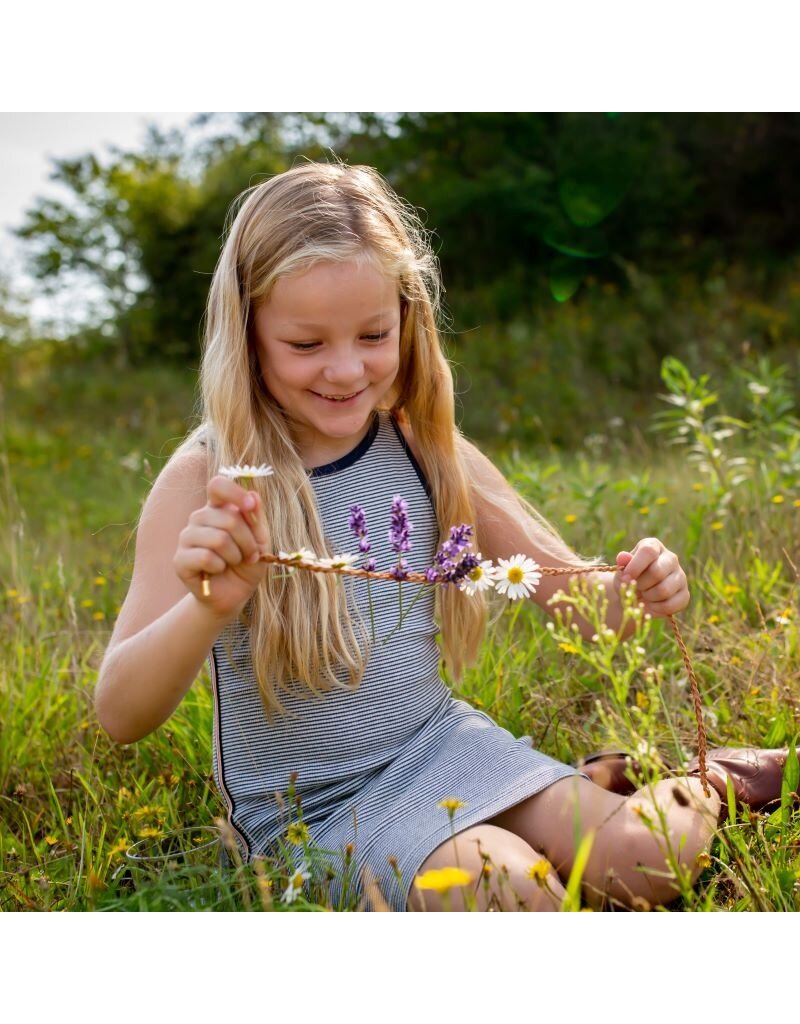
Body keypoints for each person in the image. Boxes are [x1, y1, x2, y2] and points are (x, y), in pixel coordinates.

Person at [94, 161, 782, 912]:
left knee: (652, 858)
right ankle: (575, 801)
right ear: (249, 330)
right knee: (514, 895)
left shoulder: (425, 446)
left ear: (407, 316)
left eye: (372, 333)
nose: (346, 368)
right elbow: (122, 714)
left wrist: (641, 586)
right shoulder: (209, 479)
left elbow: (579, 604)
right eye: (305, 344)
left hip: (444, 746)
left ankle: (714, 778)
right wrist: (207, 606)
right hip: (317, 811)